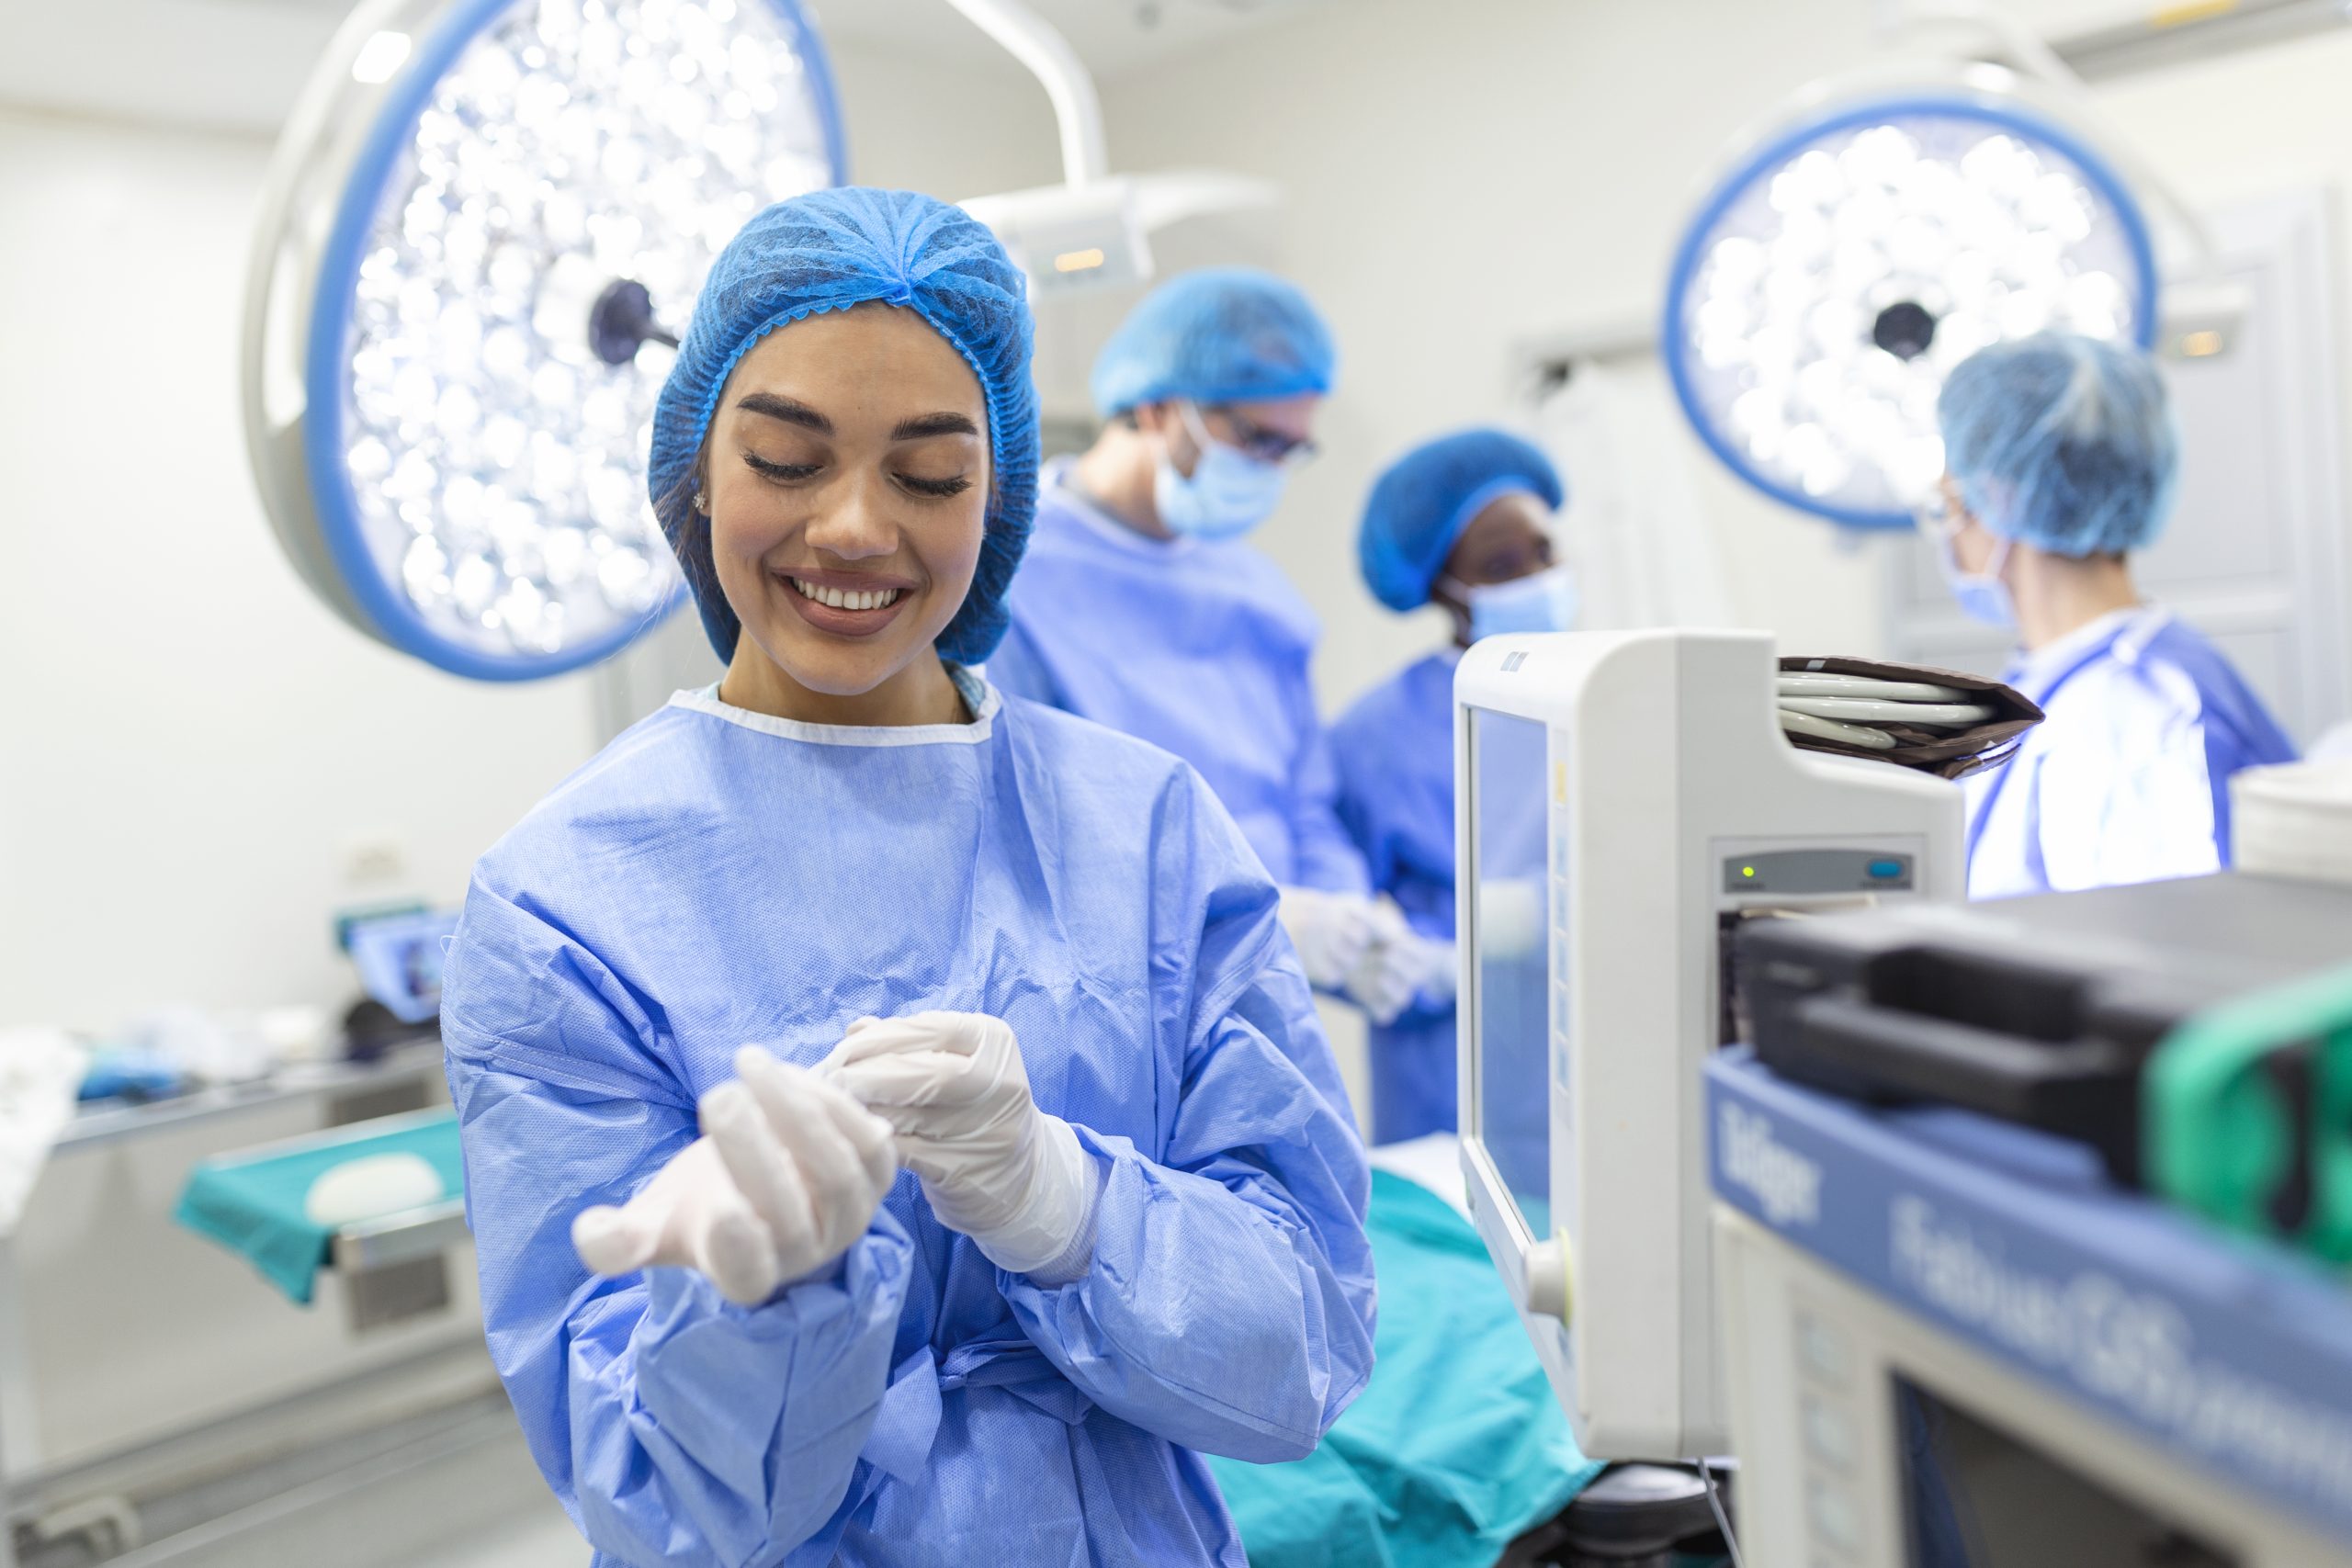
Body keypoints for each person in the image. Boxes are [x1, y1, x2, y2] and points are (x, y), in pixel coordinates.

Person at [437, 189, 1374, 1568]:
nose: (857, 528)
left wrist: (1061, 1201)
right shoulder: (563, 904)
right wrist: (764, 1311)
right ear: (699, 471)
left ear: (998, 504)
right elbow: (654, 1502)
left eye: (930, 476)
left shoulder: (1150, 829)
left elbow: (1306, 1349)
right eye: (785, 457)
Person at [988, 269, 1422, 1025]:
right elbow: (1025, 841)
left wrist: (1350, 916)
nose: (1271, 471)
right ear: (1157, 405)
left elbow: (1304, 807)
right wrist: (1234, 926)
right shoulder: (1009, 580)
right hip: (1107, 1018)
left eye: (1294, 450)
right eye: (1256, 439)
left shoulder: (1263, 600)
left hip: (1261, 1018)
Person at [1927, 331, 2296, 898]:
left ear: (1997, 496)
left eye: (1948, 504)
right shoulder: (2065, 681)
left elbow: (2164, 970)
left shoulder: (2134, 710)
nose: (1948, 532)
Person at [1327, 429, 1572, 1144]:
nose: (1534, 576)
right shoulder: (1375, 735)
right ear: (1442, 587)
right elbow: (1338, 908)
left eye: (1544, 551)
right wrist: (1411, 963)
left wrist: (1532, 917)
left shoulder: (1610, 694)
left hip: (1597, 1053)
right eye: (1500, 564)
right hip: (1446, 1081)